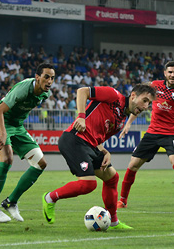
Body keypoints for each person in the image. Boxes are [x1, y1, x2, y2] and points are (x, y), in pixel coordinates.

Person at [42, 84, 156, 230]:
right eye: (145, 100)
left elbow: (98, 139)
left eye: (149, 103)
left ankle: (113, 222)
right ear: (133, 96)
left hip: (90, 145)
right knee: (88, 184)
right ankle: (50, 198)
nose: (146, 106)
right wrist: (81, 117)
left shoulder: (121, 120)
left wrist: (105, 152)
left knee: (112, 178)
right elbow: (82, 91)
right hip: (74, 139)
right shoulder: (113, 96)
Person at [117, 61, 174, 210]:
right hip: (152, 132)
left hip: (171, 133)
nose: (172, 75)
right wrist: (128, 123)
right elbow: (140, 104)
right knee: (132, 164)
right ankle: (122, 200)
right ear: (165, 73)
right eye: (170, 72)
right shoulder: (154, 86)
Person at [0, 63, 55, 223]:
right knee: (7, 159)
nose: (50, 81)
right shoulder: (24, 89)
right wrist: (3, 133)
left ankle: (11, 201)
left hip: (17, 126)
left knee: (41, 163)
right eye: (46, 77)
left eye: (52, 78)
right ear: (37, 77)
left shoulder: (45, 94)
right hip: (1, 122)